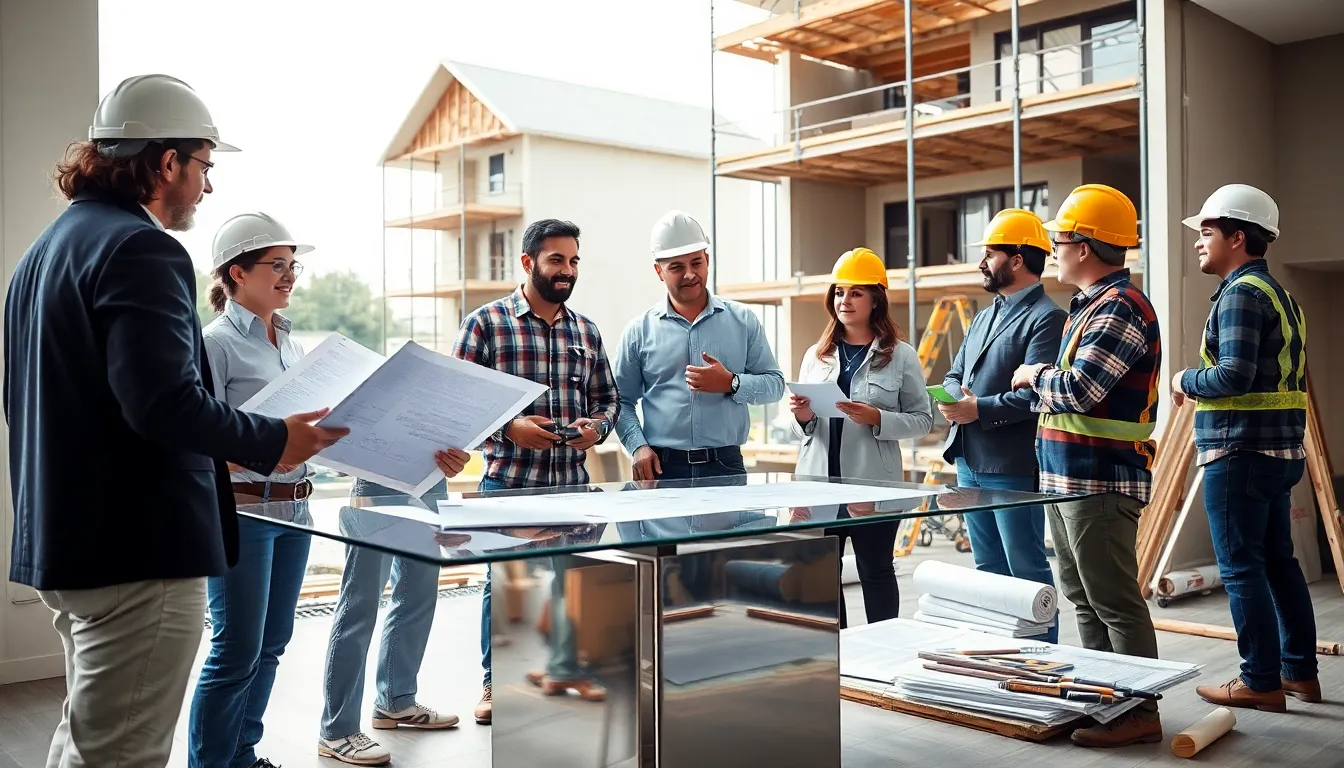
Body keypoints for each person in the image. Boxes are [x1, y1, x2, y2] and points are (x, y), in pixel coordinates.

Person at [3, 74, 347, 768]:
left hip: (66, 541)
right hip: (137, 553)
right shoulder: (142, 248)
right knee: (121, 751)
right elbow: (164, 404)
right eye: (204, 166)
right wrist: (277, 439)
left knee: (89, 738)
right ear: (167, 162)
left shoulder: (43, 253)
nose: (207, 187)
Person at [1009, 183, 1163, 748]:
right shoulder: (1090, 307)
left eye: (1060, 240)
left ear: (1086, 246)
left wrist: (1033, 376)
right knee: (1083, 598)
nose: (1053, 249)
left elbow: (1079, 389)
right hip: (1068, 479)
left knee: (1114, 601)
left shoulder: (1120, 307)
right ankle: (1104, 704)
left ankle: (1138, 712)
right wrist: (1043, 386)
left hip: (1100, 480)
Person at [453, 218, 621, 724]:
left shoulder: (586, 330)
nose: (567, 270)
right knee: (502, 589)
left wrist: (598, 428)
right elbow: (458, 407)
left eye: (573, 261)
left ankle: (566, 669)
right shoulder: (485, 324)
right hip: (509, 485)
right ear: (528, 262)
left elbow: (608, 399)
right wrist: (511, 430)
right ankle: (493, 684)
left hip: (573, 487)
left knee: (573, 585)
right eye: (556, 260)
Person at [1172, 184, 1319, 712]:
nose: (1198, 241)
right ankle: (1298, 673)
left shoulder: (1239, 295)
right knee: (1279, 563)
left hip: (1240, 453)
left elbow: (1233, 374)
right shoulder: (1281, 297)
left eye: (1208, 231)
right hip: (1279, 453)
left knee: (1240, 568)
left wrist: (1185, 379)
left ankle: (1260, 680)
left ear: (1238, 237)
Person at [940, 209, 1066, 644]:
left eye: (990, 253)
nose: (982, 262)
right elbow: (955, 373)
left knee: (1024, 566)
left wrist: (978, 409)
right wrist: (954, 399)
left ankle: (1042, 658)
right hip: (969, 458)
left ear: (1017, 259)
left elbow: (1036, 395)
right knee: (987, 568)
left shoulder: (1047, 317)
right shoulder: (983, 315)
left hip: (1010, 463)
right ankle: (999, 653)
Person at [788, 247, 932, 626]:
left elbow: (922, 420)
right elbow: (802, 430)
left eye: (856, 293)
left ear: (875, 300)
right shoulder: (816, 354)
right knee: (822, 576)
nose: (845, 301)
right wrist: (802, 416)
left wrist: (878, 418)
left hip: (872, 485)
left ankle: (883, 650)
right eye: (839, 292)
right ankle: (839, 651)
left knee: (876, 571)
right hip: (819, 486)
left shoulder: (901, 356)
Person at [614, 210, 785, 483]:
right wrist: (637, 446)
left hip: (726, 465)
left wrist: (732, 383)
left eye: (696, 263)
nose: (690, 274)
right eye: (676, 267)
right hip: (662, 468)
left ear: (707, 260)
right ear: (659, 271)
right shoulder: (638, 331)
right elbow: (620, 401)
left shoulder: (743, 321)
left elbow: (775, 385)